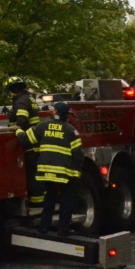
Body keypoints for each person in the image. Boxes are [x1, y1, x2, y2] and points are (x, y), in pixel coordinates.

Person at [22, 101, 84, 236]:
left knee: (50, 198)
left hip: (46, 172)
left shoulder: (43, 126)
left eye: (53, 109)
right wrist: (77, 171)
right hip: (64, 174)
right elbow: (78, 154)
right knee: (66, 200)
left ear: (55, 112)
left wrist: (17, 130)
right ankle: (63, 229)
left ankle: (43, 227)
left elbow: (25, 138)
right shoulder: (71, 130)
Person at [5, 77, 43, 212]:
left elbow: (22, 120)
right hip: (35, 141)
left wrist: (16, 127)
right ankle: (39, 200)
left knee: (32, 173)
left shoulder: (21, 101)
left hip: (29, 142)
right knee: (36, 172)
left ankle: (36, 202)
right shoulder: (29, 98)